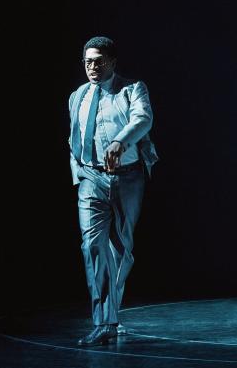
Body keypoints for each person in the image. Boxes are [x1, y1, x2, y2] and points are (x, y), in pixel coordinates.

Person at [67, 36, 158, 346]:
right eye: (88, 61)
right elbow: (73, 138)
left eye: (99, 60)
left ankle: (112, 313)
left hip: (126, 178)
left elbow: (143, 119)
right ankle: (104, 321)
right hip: (90, 178)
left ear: (112, 61)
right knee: (92, 247)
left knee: (120, 250)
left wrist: (120, 141)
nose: (93, 66)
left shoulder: (132, 89)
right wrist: (78, 174)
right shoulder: (77, 96)